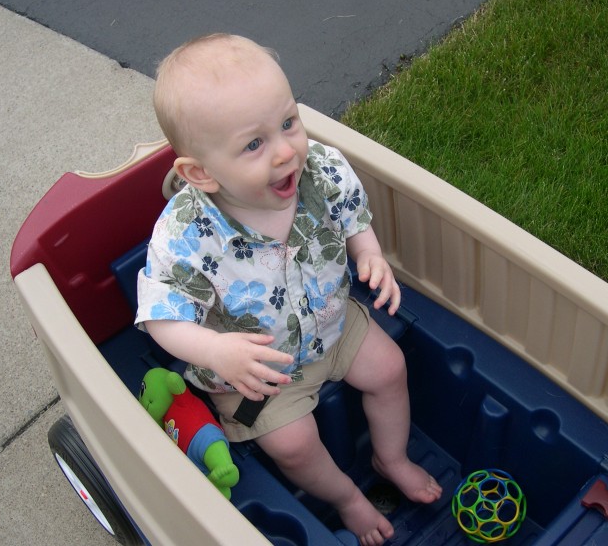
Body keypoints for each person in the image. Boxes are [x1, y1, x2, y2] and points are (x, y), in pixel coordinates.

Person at [136, 33, 441, 545]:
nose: (286, 153)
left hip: (330, 322)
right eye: (255, 144)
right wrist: (216, 351)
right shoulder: (185, 235)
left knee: (390, 368)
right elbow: (162, 315)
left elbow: (351, 214)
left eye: (288, 122)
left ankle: (391, 459)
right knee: (294, 443)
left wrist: (369, 253)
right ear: (200, 173)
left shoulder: (316, 169)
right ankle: (347, 498)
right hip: (256, 373)